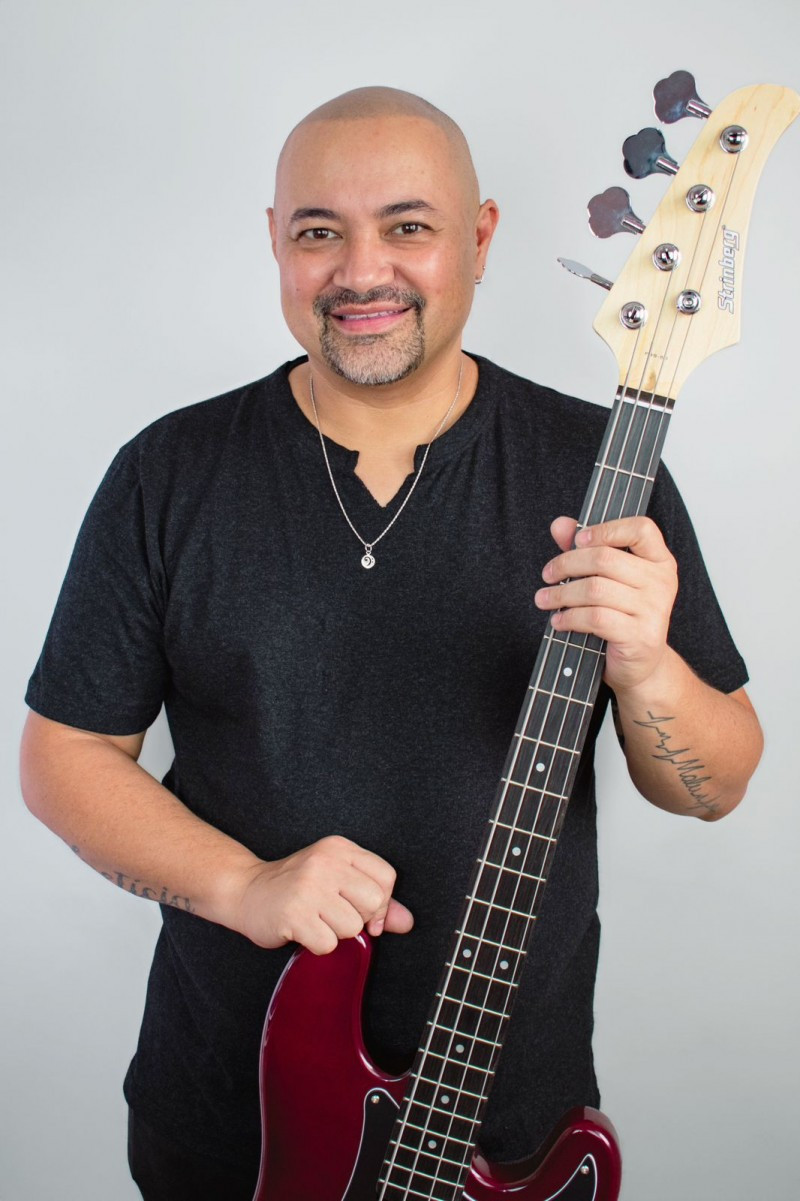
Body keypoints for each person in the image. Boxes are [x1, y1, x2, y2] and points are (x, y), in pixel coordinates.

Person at [20, 87, 763, 1200]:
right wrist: (245, 883)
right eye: (319, 231)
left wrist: (649, 664)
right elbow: (63, 755)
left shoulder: (602, 471)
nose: (361, 271)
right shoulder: (166, 474)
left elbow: (714, 785)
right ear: (275, 242)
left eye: (408, 226)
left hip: (514, 1134)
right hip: (228, 1127)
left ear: (481, 239)